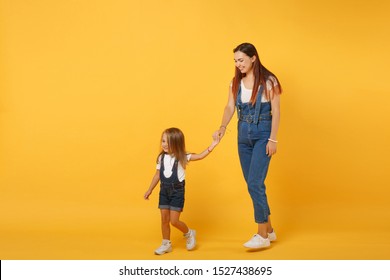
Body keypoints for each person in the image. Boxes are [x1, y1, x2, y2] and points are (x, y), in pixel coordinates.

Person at [213, 42, 282, 249]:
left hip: (263, 135)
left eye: (241, 60)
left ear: (253, 58)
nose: (238, 64)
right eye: (235, 60)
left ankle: (261, 234)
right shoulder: (236, 82)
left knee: (254, 183)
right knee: (253, 184)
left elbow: (276, 111)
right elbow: (229, 106)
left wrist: (273, 139)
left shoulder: (269, 81)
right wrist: (222, 127)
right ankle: (270, 230)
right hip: (243, 136)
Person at [144, 127, 219, 255]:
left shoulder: (182, 157)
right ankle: (165, 243)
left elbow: (200, 156)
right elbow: (157, 175)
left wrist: (213, 144)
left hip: (177, 191)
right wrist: (150, 189)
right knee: (164, 220)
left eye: (169, 142)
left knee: (174, 221)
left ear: (177, 143)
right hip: (164, 190)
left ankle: (189, 233)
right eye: (163, 141)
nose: (165, 145)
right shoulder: (161, 158)